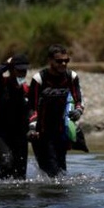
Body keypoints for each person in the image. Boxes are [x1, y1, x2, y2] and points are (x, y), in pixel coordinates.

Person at [28, 44, 85, 178]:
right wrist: (32, 128)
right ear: (50, 61)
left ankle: (55, 196)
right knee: (51, 172)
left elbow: (78, 100)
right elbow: (31, 107)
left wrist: (78, 111)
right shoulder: (39, 79)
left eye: (66, 60)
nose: (63, 64)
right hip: (40, 133)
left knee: (61, 171)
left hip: (60, 131)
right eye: (59, 61)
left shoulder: (71, 77)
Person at [0, 53, 31, 180]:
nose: (22, 74)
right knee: (7, 165)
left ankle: (14, 197)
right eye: (19, 70)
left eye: (24, 71)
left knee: (20, 176)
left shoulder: (26, 90)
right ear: (11, 70)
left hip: (19, 135)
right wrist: (7, 63)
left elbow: (32, 110)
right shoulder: (1, 86)